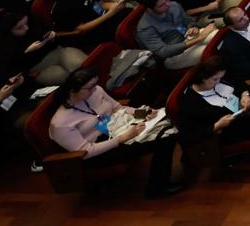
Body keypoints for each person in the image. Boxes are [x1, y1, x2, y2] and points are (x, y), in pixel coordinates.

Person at [49, 67, 183, 198]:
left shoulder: (96, 91)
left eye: (95, 84)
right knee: (165, 139)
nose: (95, 89)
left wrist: (142, 113)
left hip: (117, 128)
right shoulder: (61, 123)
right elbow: (86, 151)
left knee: (169, 121)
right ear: (73, 91)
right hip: (97, 151)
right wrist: (122, 138)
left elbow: (118, 108)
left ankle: (188, 156)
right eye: (90, 87)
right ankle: (157, 188)